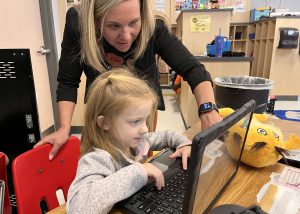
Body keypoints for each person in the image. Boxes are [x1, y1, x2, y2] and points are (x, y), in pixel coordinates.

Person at [35, 0, 222, 160]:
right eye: (113, 26)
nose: (125, 37)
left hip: (142, 112)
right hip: (102, 113)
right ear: (95, 20)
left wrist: (207, 109)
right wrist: (64, 128)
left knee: (139, 160)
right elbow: (68, 81)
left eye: (134, 23)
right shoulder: (78, 22)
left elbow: (193, 69)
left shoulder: (154, 26)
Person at [66, 69, 192, 213]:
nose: (145, 129)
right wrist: (139, 172)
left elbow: (166, 135)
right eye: (136, 121)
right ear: (105, 122)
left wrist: (184, 144)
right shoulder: (97, 159)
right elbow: (78, 208)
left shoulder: (136, 140)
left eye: (145, 119)